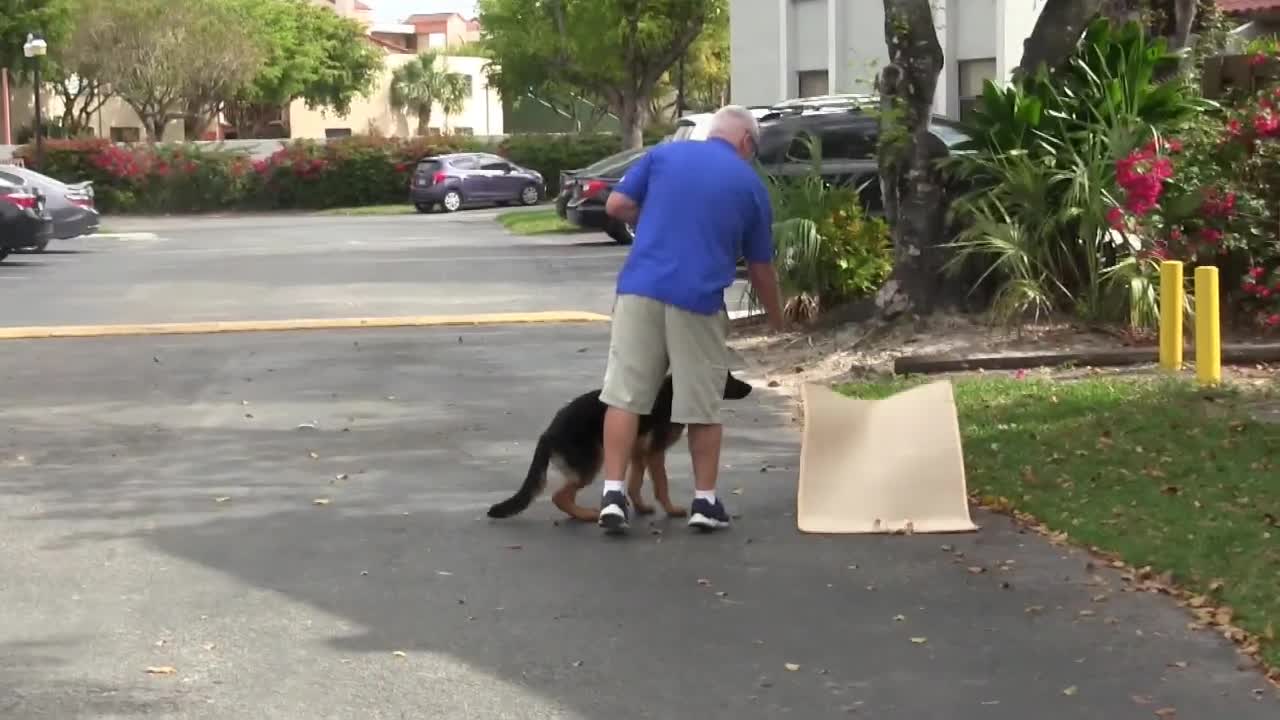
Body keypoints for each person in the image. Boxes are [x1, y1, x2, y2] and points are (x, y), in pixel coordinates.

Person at [595, 104, 785, 535]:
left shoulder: (664, 155)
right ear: (746, 142)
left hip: (639, 290)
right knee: (700, 405)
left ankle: (612, 494)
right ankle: (704, 501)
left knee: (624, 396)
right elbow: (760, 269)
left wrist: (653, 222)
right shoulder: (750, 185)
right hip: (697, 301)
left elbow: (617, 204)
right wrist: (777, 319)